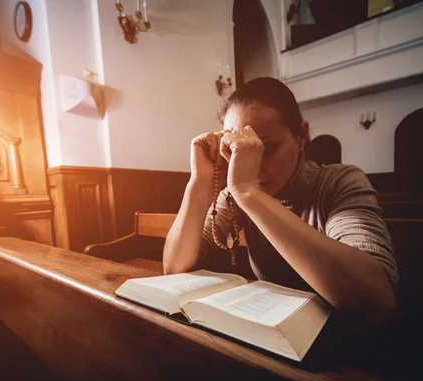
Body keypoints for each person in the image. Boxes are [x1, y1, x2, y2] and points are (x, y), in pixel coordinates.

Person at [163, 77, 397, 320]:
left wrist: (248, 191)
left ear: (301, 136)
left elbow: (376, 298)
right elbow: (174, 268)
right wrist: (199, 183)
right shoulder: (234, 194)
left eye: (266, 147)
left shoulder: (340, 181)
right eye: (238, 150)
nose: (252, 165)